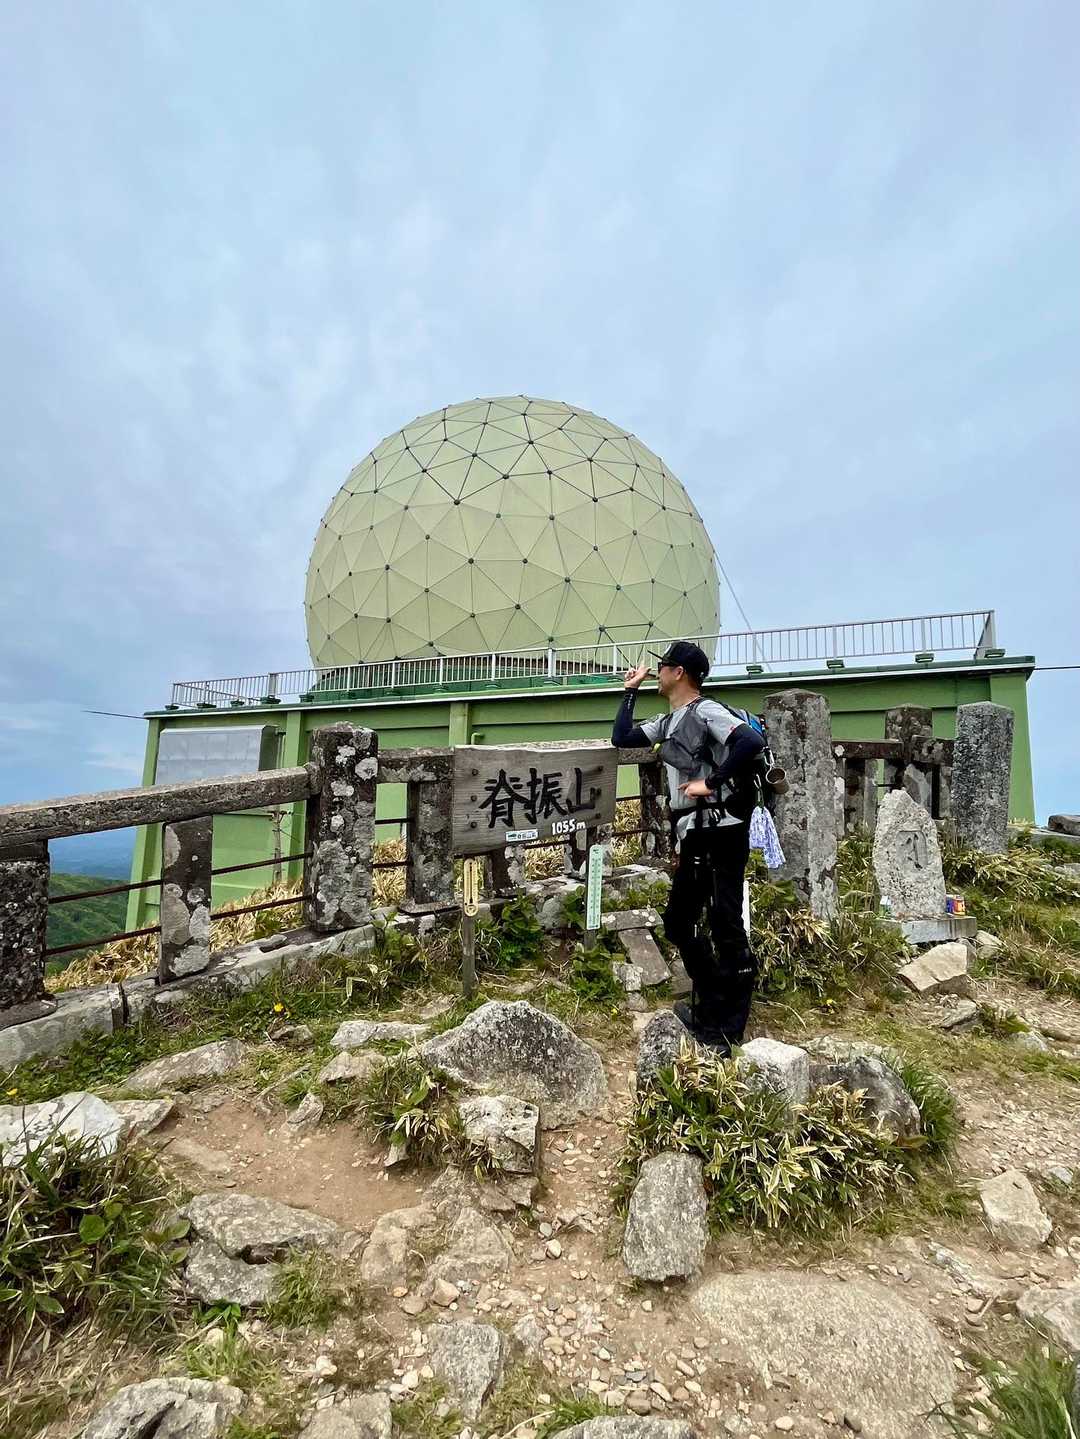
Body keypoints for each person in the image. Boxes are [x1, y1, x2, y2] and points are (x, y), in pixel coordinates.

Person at [611, 640, 765, 1052]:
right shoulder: (668, 721)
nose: (658, 671)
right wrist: (630, 690)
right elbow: (622, 737)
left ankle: (727, 1029)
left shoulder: (706, 711)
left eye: (662, 666)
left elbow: (750, 743)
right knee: (679, 922)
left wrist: (710, 783)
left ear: (678, 672)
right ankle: (711, 1005)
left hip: (722, 830)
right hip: (695, 834)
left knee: (725, 923)